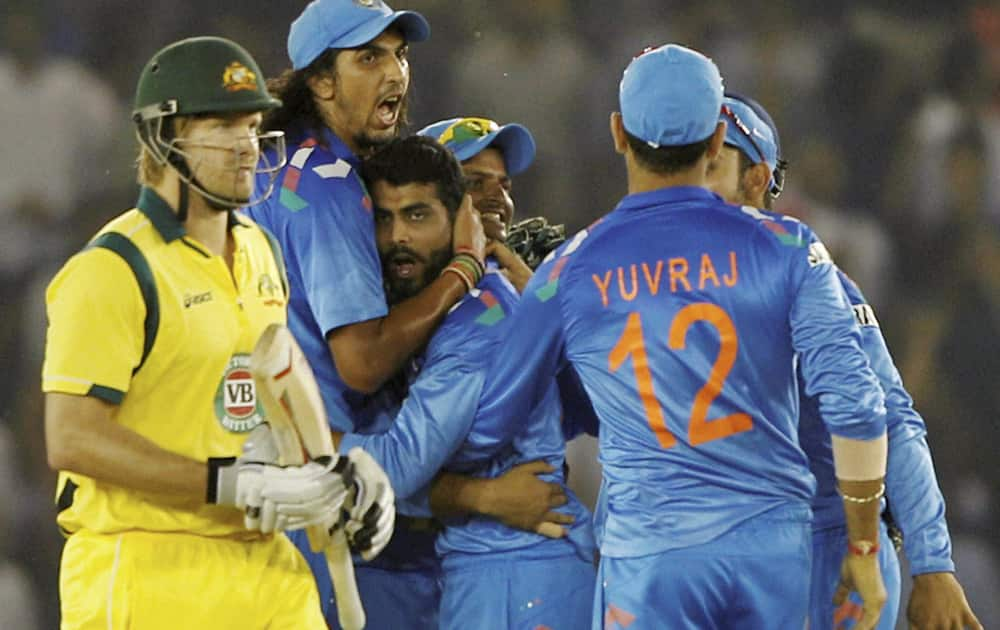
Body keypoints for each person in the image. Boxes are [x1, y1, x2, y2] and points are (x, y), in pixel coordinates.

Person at [464, 43, 894, 629]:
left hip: (652, 558)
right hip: (772, 552)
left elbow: (495, 415)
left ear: (618, 133)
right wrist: (865, 548)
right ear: (717, 142)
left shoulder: (571, 269)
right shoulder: (791, 246)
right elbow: (858, 405)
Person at [41, 36, 387, 629]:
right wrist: (230, 485)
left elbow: (270, 388)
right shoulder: (113, 270)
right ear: (162, 137)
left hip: (266, 570)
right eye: (222, 128)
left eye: (252, 126)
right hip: (148, 568)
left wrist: (338, 471)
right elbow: (72, 439)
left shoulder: (259, 248)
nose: (247, 147)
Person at [245, 1, 494, 626]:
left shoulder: (266, 163)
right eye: (369, 58)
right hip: (331, 500)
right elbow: (358, 362)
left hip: (263, 479)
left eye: (399, 54)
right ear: (321, 81)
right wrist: (461, 272)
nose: (395, 74)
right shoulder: (330, 183)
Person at [705, 92, 983, 630]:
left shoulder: (815, 283)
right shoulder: (649, 283)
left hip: (823, 558)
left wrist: (932, 563)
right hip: (708, 555)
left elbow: (891, 419)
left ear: (756, 181)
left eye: (710, 167)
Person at [331, 135, 595, 630]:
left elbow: (401, 466)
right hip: (492, 568)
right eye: (384, 218)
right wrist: (482, 496)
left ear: (457, 218)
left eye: (416, 215)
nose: (396, 237)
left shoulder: (477, 316)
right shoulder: (428, 311)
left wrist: (306, 453)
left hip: (514, 576)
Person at [418, 116, 565, 291]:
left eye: (505, 186)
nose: (499, 197)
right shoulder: (392, 284)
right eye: (474, 183)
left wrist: (534, 299)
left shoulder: (536, 278)